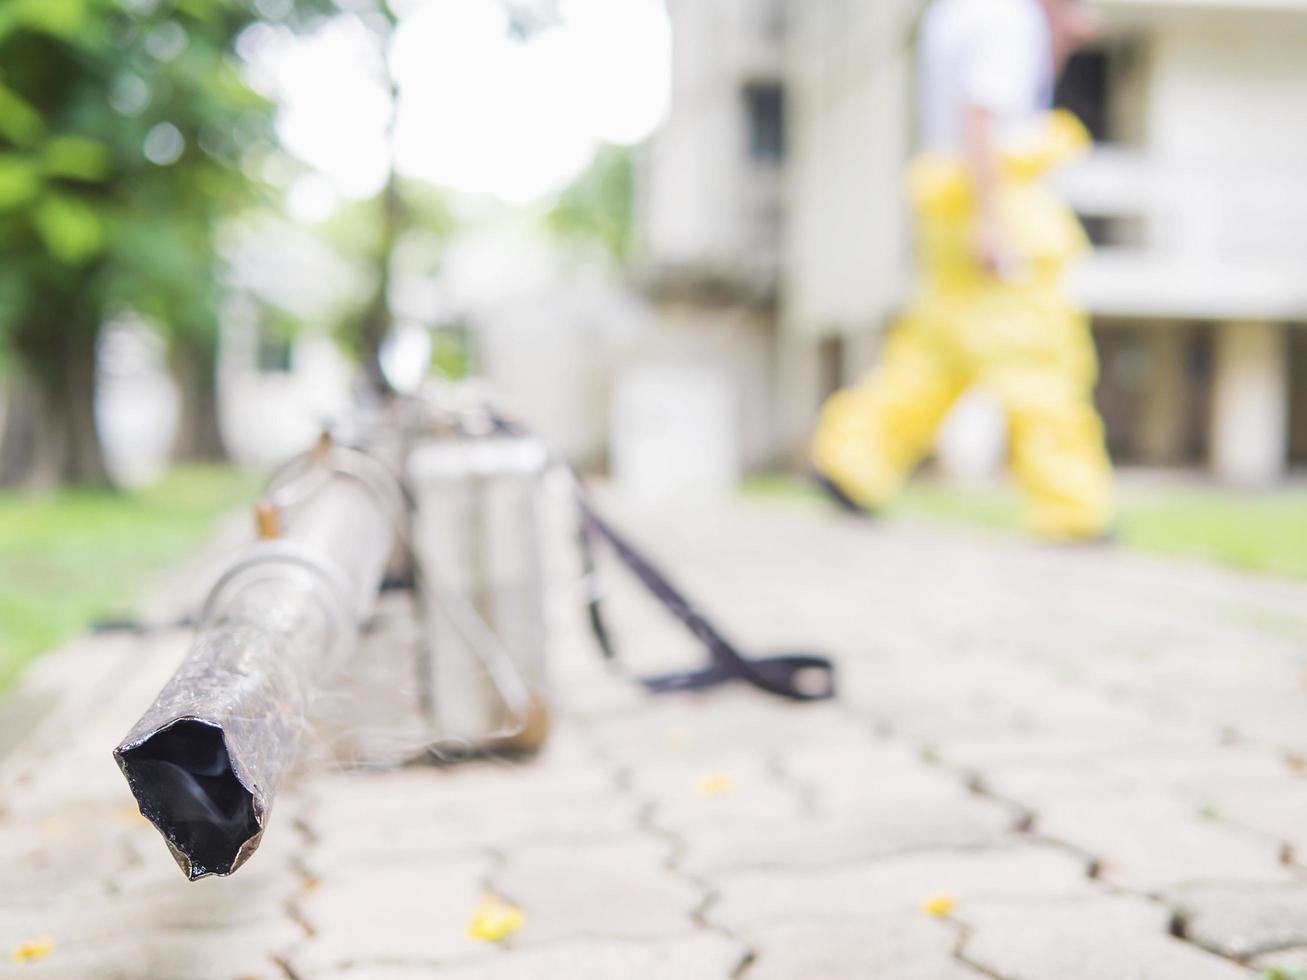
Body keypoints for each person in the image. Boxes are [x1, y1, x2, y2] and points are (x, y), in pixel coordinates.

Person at [810, 0, 1113, 540]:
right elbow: (984, 114)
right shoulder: (1006, 19)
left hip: (952, 201)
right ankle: (1071, 508)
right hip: (997, 201)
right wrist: (989, 221)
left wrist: (1056, 39)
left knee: (933, 355)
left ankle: (852, 462)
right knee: (1041, 360)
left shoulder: (963, 11)